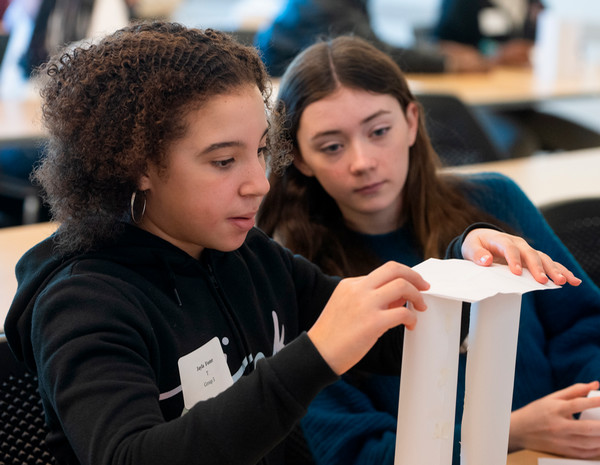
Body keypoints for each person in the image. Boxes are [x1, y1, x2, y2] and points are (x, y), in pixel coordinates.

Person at [2, 21, 572, 465]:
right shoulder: (83, 304)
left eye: (259, 151)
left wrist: (467, 269)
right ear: (137, 166)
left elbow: (388, 336)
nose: (259, 182)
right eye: (224, 161)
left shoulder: (246, 256)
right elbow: (133, 456)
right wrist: (313, 355)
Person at [256, 35, 600, 464]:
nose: (362, 161)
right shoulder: (295, 277)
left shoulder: (493, 202)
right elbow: (357, 452)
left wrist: (589, 404)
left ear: (412, 122)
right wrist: (506, 431)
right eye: (332, 146)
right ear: (300, 158)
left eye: (379, 131)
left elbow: (583, 323)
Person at [253, 0, 490, 77]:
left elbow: (371, 41)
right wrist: (446, 62)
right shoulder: (324, 4)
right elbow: (370, 52)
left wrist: (438, 51)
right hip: (287, 102)